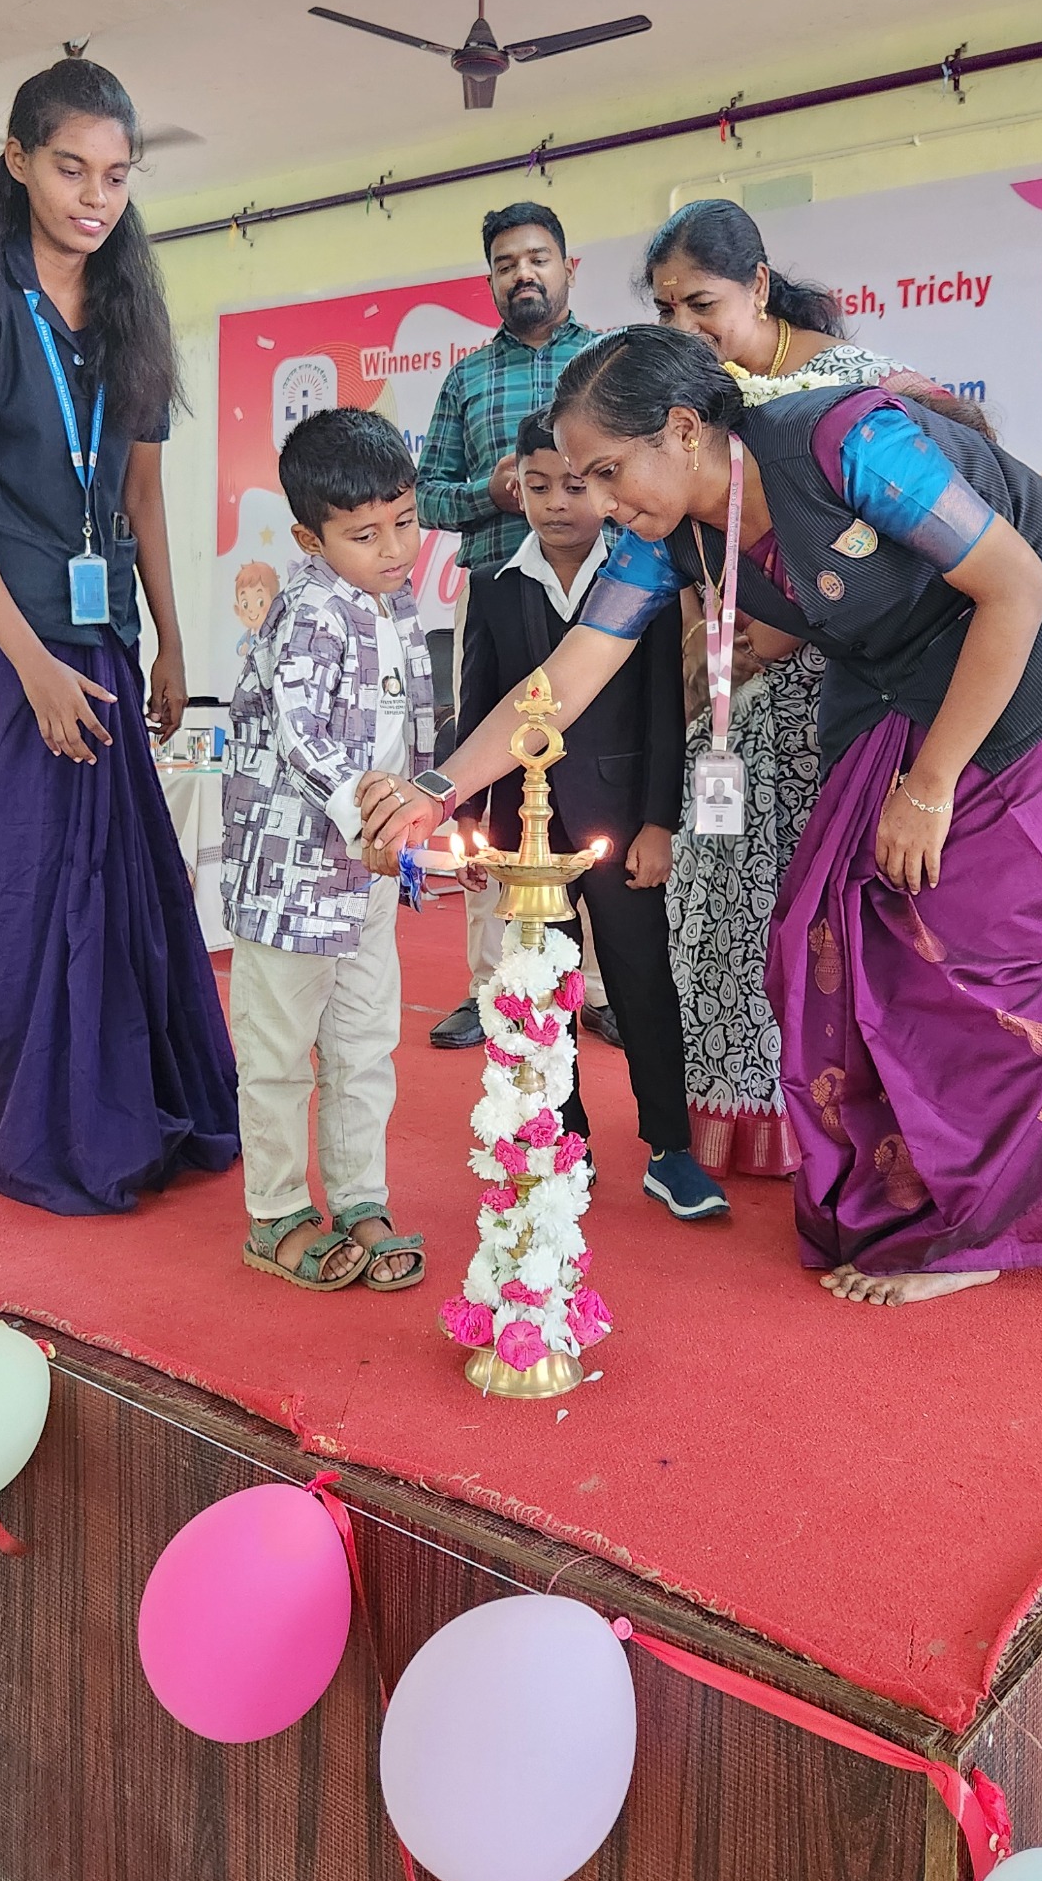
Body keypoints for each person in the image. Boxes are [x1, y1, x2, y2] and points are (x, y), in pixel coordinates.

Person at [362, 328, 1042, 1308]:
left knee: (978, 946)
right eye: (581, 480)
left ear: (683, 429)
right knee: (829, 936)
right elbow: (564, 678)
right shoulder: (667, 538)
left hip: (1040, 672)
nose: (597, 502)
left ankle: (988, 1226)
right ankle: (919, 1191)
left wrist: (930, 785)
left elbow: (1017, 586)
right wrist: (439, 786)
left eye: (608, 471)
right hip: (904, 692)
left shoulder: (846, 442)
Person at [0, 58, 238, 1216]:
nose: (95, 196)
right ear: (20, 160)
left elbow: (138, 497)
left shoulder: (128, 303)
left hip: (102, 636)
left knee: (125, 880)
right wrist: (31, 666)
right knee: (29, 886)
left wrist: (172, 641)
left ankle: (130, 1118)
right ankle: (34, 1133)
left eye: (118, 175)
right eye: (71, 167)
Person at [642, 199, 975, 1181]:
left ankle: (866, 1132)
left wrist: (787, 629)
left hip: (858, 699)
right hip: (738, 704)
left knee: (845, 917)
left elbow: (919, 552)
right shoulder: (691, 406)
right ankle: (749, 1118)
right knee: (735, 915)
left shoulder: (850, 393)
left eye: (699, 300)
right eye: (663, 307)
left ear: (756, 285)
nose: (682, 325)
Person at [455, 412, 725, 1219]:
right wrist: (470, 814)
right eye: (537, 486)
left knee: (643, 982)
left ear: (603, 488)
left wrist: (658, 824)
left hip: (621, 826)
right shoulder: (493, 587)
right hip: (527, 837)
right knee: (543, 988)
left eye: (575, 484)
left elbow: (660, 712)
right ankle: (557, 1140)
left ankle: (670, 1150)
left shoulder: (639, 575)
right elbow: (478, 708)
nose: (555, 503)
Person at [222, 408, 434, 1290]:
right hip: (292, 877)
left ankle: (357, 1195)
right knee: (276, 1051)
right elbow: (308, 739)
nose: (394, 549)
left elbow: (408, 732)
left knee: (364, 1039)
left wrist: (407, 823)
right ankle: (273, 1214)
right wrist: (372, 821)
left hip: (370, 872)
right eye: (364, 535)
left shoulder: (398, 601)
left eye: (405, 522)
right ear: (310, 537)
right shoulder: (307, 610)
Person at [416, 201, 612, 1050]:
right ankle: (491, 981)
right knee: (490, 784)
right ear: (490, 278)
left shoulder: (611, 364)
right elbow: (424, 493)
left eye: (537, 258)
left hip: (603, 601)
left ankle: (598, 987)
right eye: (505, 263)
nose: (522, 273)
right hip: (497, 593)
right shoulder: (466, 379)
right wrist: (487, 496)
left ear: (569, 267)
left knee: (597, 777)